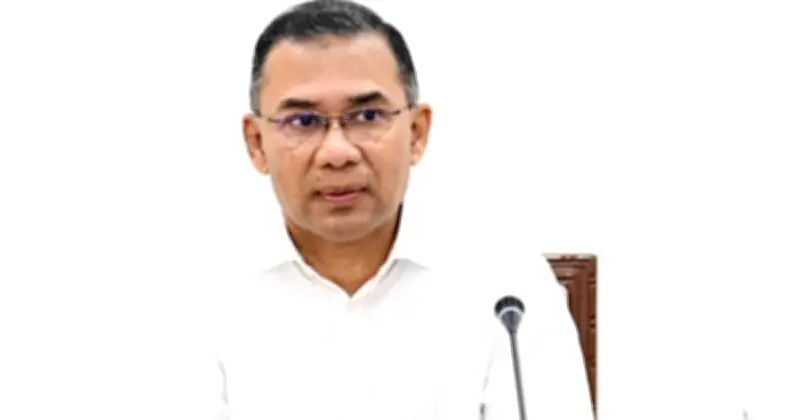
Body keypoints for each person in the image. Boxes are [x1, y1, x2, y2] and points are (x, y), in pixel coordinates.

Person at [202, 1, 595, 419]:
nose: (337, 152)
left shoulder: (506, 286)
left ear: (417, 132)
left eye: (367, 115)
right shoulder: (200, 290)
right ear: (257, 143)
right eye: (303, 121)